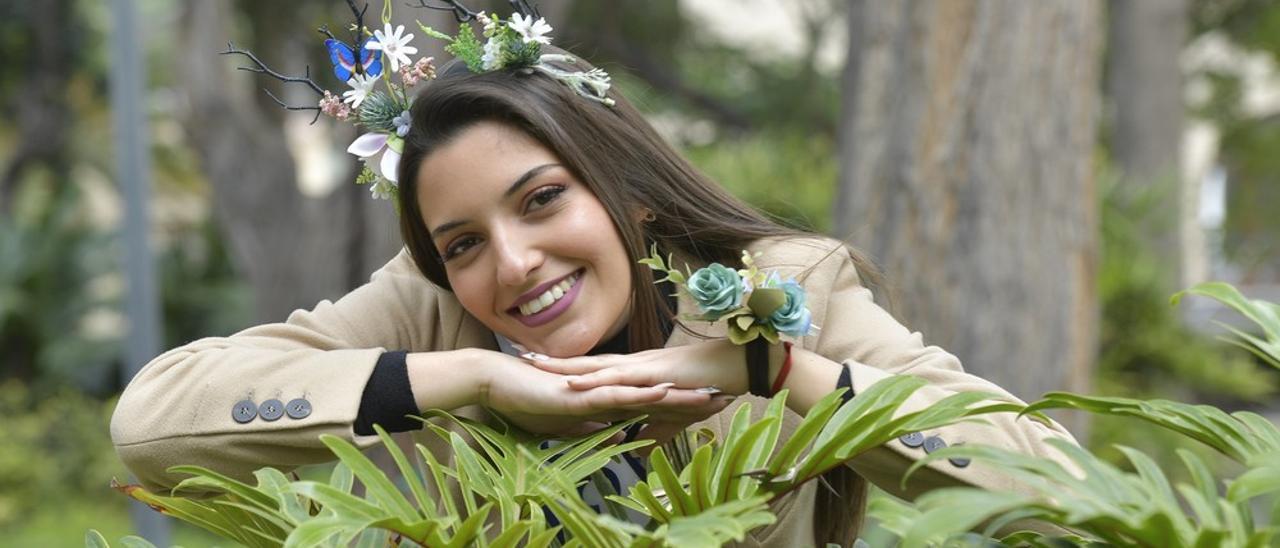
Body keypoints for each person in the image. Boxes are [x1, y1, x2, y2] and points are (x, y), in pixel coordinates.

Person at [111, 15, 1079, 546]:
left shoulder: (787, 288)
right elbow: (151, 424)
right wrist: (469, 380)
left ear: (630, 195)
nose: (511, 262)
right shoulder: (430, 311)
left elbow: (1053, 485)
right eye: (462, 241)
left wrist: (773, 370)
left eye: (539, 201)